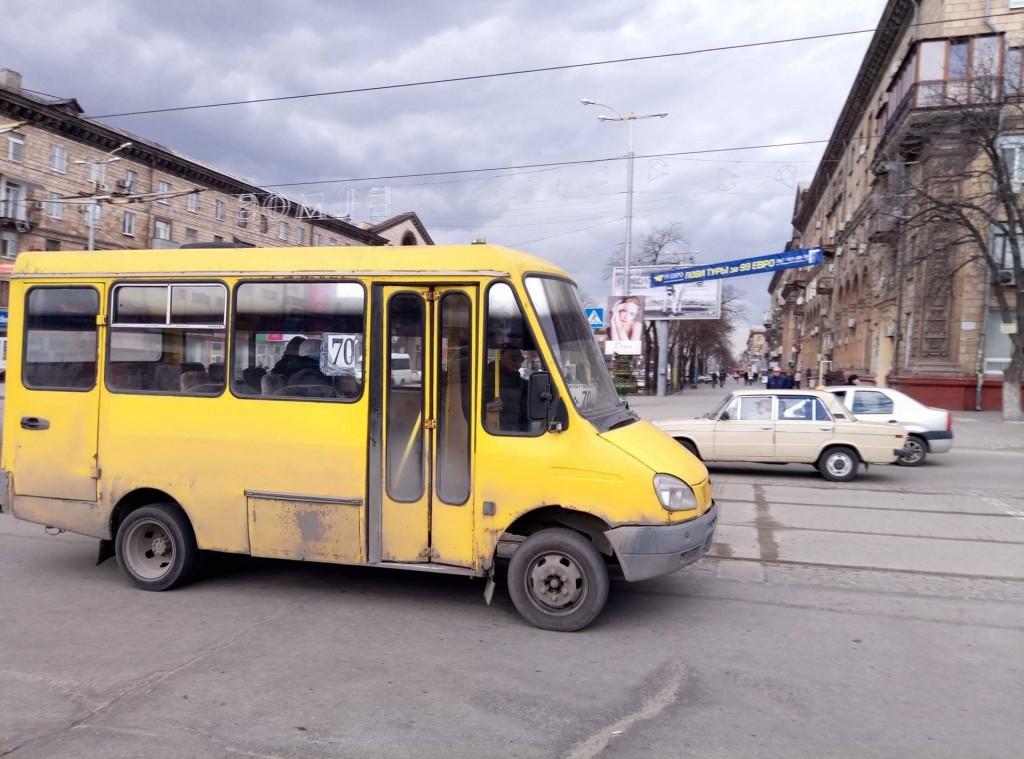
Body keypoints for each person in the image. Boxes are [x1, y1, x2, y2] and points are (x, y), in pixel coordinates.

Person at [484, 345, 529, 432]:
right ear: (502, 358)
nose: (519, 363)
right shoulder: (489, 379)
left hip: (516, 429)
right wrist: (487, 407)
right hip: (496, 430)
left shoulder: (519, 382)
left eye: (521, 359)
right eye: (515, 358)